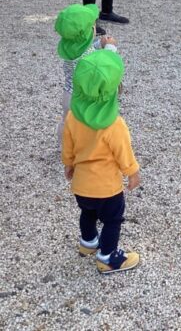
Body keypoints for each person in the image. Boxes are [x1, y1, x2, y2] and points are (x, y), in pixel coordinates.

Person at [62, 50, 141, 274]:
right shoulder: (114, 124)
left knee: (87, 213)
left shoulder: (72, 116)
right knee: (112, 220)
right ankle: (107, 257)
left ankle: (88, 243)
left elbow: (67, 145)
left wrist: (69, 164)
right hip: (107, 189)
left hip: (81, 185)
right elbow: (123, 153)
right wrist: (132, 172)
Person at [55, 3, 117, 144]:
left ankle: (63, 144)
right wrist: (110, 48)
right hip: (83, 97)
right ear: (90, 31)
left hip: (68, 94)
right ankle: (85, 146)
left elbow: (86, 49)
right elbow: (104, 65)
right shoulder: (88, 59)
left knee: (67, 121)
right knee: (85, 124)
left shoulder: (70, 48)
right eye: (93, 25)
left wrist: (98, 44)